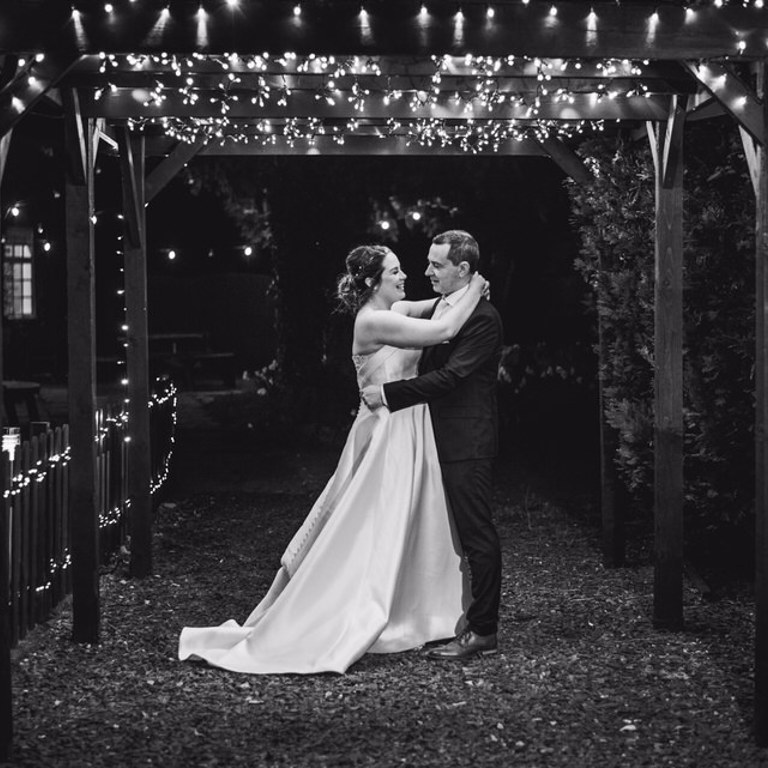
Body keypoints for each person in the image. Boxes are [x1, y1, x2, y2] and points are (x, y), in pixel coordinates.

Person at [178, 243, 487, 674]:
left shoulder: (393, 309)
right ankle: (356, 607)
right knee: (371, 523)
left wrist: (456, 290)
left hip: (408, 427)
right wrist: (475, 288)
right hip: (386, 433)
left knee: (409, 519)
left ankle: (416, 608)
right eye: (395, 272)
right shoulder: (374, 320)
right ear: (371, 282)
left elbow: (434, 307)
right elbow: (442, 331)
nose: (404, 277)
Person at [361, 229, 504, 662]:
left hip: (465, 439)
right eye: (427, 262)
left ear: (463, 268)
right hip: (427, 438)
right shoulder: (445, 308)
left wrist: (388, 395)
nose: (426, 271)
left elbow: (453, 377)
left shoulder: (482, 318)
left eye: (436, 265)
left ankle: (483, 630)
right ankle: (437, 614)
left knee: (476, 532)